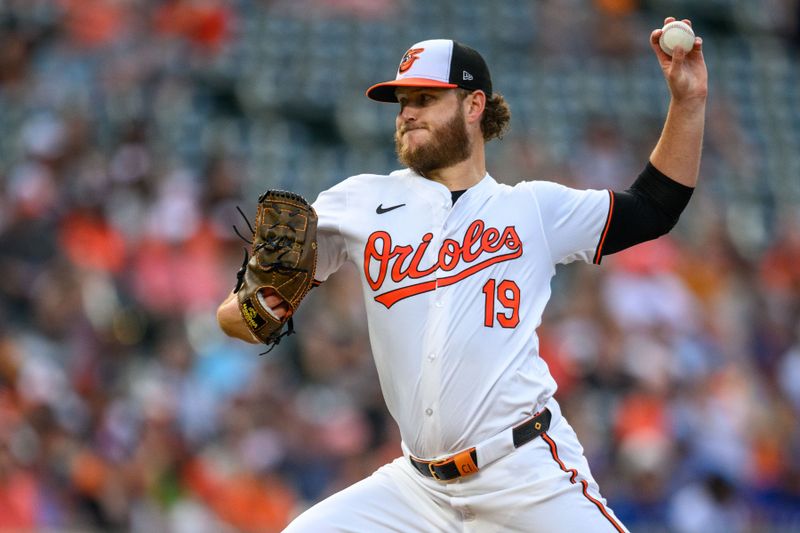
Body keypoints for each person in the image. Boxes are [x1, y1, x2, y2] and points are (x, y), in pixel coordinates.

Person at [217, 17, 707, 532]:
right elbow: (237, 318)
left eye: (425, 99)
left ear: (474, 106)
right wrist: (255, 308)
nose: (407, 114)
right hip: (417, 489)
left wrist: (688, 102)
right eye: (402, 102)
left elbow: (655, 206)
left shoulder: (532, 209)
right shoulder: (358, 201)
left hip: (523, 473)